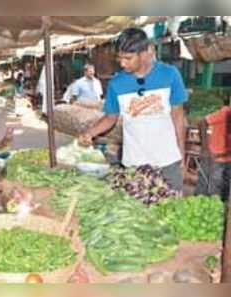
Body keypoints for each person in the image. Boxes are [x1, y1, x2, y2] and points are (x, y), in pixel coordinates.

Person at [79, 28, 188, 192]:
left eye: (128, 58)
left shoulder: (170, 75)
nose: (122, 63)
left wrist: (181, 153)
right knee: (137, 211)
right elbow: (110, 117)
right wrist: (90, 133)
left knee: (170, 210)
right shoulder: (117, 83)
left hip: (168, 160)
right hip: (134, 162)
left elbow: (178, 117)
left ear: (145, 52)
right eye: (120, 58)